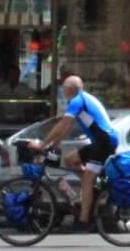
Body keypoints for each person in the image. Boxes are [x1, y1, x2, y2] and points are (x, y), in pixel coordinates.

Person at [35, 72, 120, 230]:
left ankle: (83, 220)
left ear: (69, 90)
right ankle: (91, 190)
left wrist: (43, 144)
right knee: (70, 160)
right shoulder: (82, 99)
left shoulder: (77, 101)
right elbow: (66, 128)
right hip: (101, 142)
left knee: (87, 178)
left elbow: (62, 124)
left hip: (105, 142)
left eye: (63, 88)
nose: (62, 91)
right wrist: (54, 146)